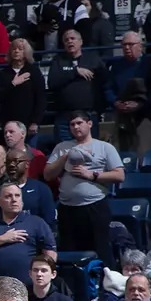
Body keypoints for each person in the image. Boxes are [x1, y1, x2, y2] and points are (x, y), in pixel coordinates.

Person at [47, 111, 125, 259]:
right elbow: (48, 174)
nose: (76, 127)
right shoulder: (61, 147)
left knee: (100, 249)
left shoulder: (104, 147)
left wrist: (92, 175)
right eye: (72, 124)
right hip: (67, 208)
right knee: (70, 250)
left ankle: (103, 279)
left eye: (79, 123)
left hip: (95, 206)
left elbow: (119, 175)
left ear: (89, 124)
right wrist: (64, 157)